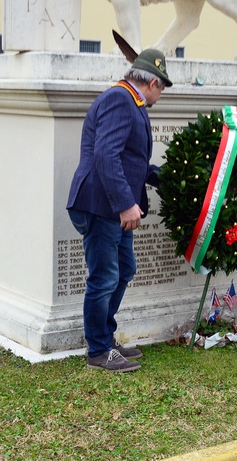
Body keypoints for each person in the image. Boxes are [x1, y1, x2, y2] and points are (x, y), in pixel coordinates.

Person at [67, 49, 173, 373]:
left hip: (111, 205)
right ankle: (98, 350)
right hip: (101, 205)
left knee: (123, 270)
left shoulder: (130, 102)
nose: (160, 95)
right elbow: (106, 156)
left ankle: (105, 336)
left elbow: (130, 160)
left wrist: (171, 179)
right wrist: (127, 205)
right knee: (104, 278)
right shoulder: (120, 100)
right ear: (153, 81)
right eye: (162, 89)